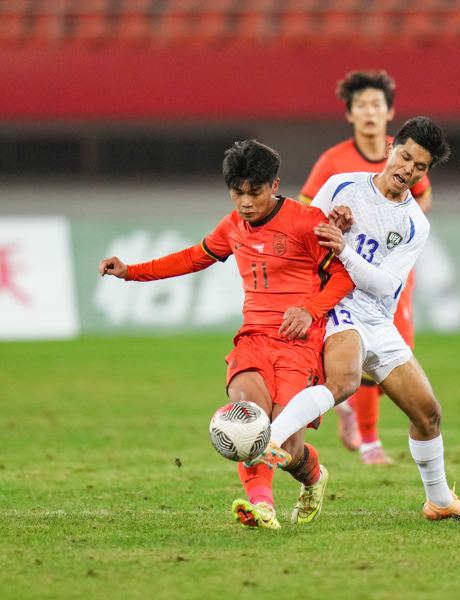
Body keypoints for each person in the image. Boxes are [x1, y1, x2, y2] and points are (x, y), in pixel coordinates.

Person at [98, 140, 355, 529]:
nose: (245, 202)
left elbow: (344, 276)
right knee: (247, 424)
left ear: (274, 185)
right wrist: (132, 271)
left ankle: (314, 476)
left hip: (299, 347)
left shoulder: (306, 222)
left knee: (287, 447)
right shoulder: (233, 226)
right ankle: (262, 507)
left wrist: (310, 309)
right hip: (253, 341)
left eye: (255, 192)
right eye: (237, 192)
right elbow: (193, 257)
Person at [249, 117, 460, 521]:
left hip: (378, 318)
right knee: (345, 380)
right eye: (405, 157)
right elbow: (298, 239)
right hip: (335, 304)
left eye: (420, 167)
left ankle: (439, 501)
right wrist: (327, 226)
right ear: (391, 148)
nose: (408, 169)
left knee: (428, 413)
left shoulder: (415, 223)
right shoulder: (342, 186)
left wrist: (343, 248)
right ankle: (271, 439)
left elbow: (386, 284)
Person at [299, 70, 433, 465]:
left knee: (389, 355)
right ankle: (368, 438)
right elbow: (308, 215)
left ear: (390, 112)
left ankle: (355, 419)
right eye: (361, 105)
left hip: (387, 275)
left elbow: (421, 201)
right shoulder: (335, 164)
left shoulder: (411, 156)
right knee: (346, 356)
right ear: (350, 114)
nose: (370, 112)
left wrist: (391, 232)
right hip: (341, 277)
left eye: (377, 104)